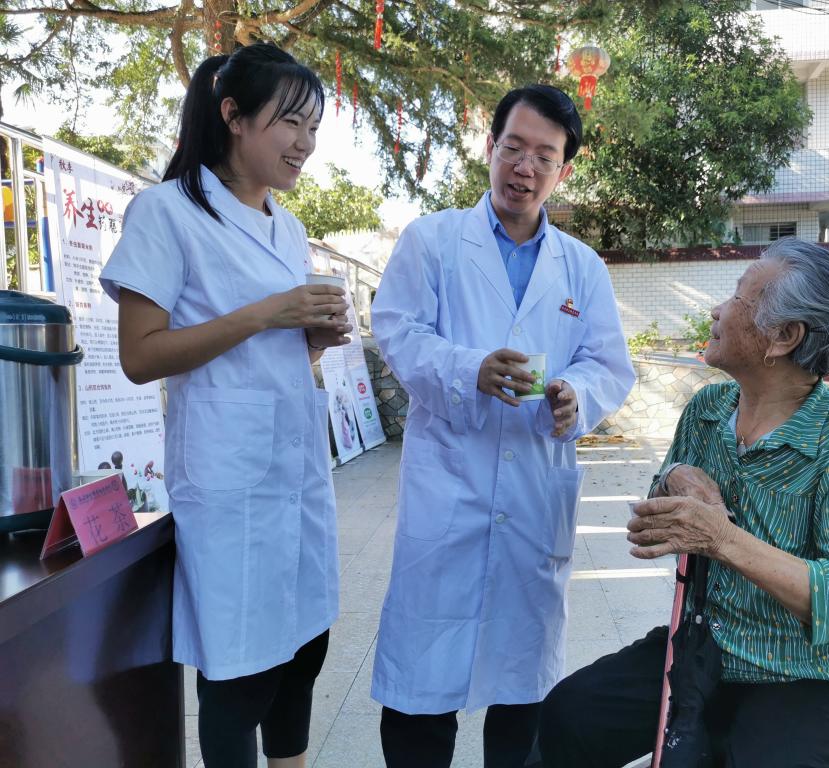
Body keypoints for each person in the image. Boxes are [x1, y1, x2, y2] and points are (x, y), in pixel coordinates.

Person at [539, 238, 829, 768]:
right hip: (709, 648)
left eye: (737, 296)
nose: (717, 309)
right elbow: (653, 520)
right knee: (569, 714)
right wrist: (673, 481)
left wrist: (723, 539)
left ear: (784, 336)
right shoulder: (708, 410)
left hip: (818, 676)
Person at [99, 43, 351, 768]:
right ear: (234, 116)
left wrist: (310, 341)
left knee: (302, 653)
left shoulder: (287, 225)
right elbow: (140, 355)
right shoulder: (167, 212)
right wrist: (269, 313)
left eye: (313, 127)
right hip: (229, 485)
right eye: (290, 122)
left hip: (297, 474)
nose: (305, 143)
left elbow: (269, 361)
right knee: (239, 676)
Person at [369, 84, 635, 768]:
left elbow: (610, 363)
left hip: (533, 496)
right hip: (448, 491)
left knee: (522, 697)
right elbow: (396, 329)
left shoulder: (582, 266)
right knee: (421, 691)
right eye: (513, 148)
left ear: (563, 171)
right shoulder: (432, 241)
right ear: (490, 148)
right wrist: (469, 369)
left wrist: (577, 395)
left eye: (544, 156)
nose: (525, 167)